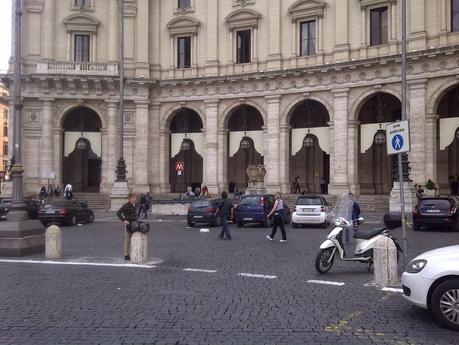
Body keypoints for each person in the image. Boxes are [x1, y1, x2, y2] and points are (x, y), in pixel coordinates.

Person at [116, 193, 138, 261]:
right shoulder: (126, 205)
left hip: (134, 223)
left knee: (135, 238)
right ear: (130, 198)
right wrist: (124, 220)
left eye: (135, 197)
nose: (135, 199)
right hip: (128, 224)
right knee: (127, 240)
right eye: (133, 197)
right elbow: (118, 213)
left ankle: (135, 253)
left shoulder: (135, 205)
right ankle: (126, 255)